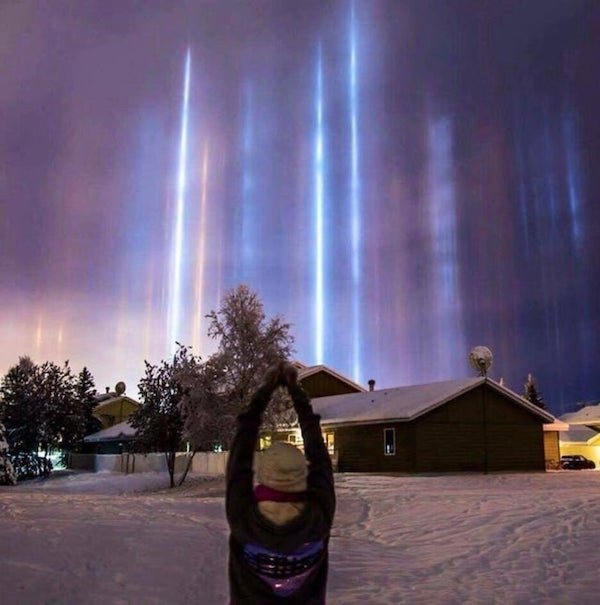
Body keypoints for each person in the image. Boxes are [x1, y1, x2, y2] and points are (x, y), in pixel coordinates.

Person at [226, 361, 336, 604]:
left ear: (263, 474)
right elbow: (319, 454)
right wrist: (295, 391)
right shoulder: (319, 517)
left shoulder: (243, 518)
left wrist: (266, 390)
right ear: (303, 475)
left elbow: (242, 447)